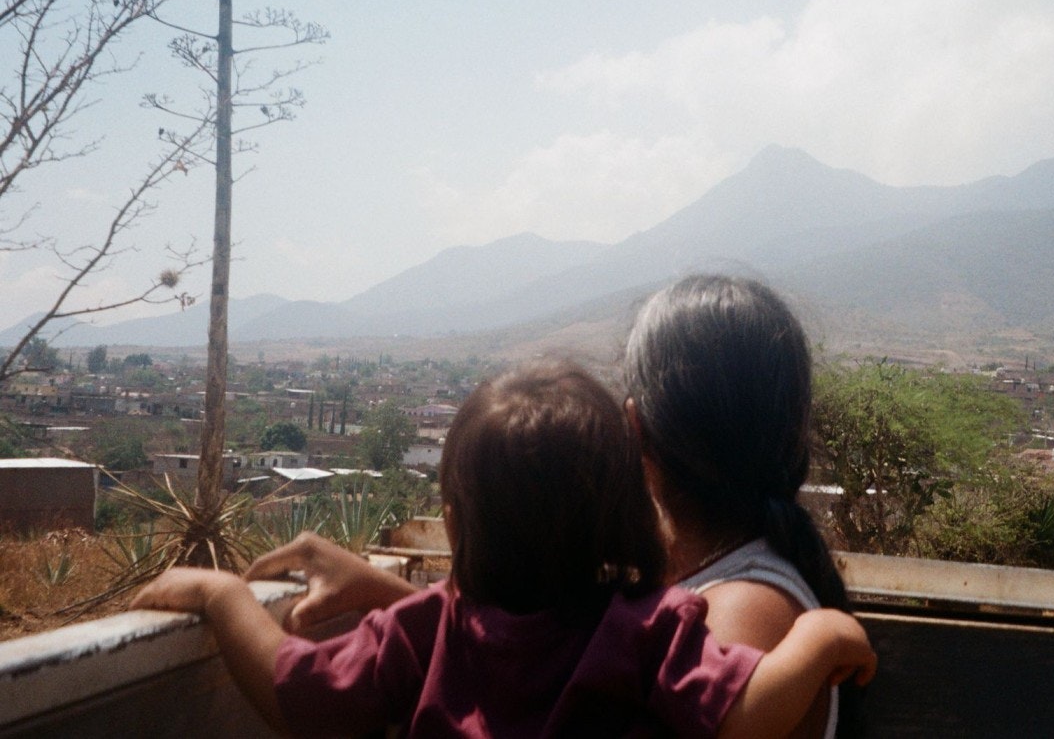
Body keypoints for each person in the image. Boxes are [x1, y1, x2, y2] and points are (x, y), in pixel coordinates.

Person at [247, 275, 851, 737]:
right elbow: (566, 665)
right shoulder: (684, 598)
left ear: (633, 429)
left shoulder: (738, 614)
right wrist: (393, 598)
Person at [133, 363, 875, 738]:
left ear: (455, 522)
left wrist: (221, 595)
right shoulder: (651, 629)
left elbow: (297, 693)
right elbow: (746, 718)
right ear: (626, 509)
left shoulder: (421, 632)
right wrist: (820, 635)